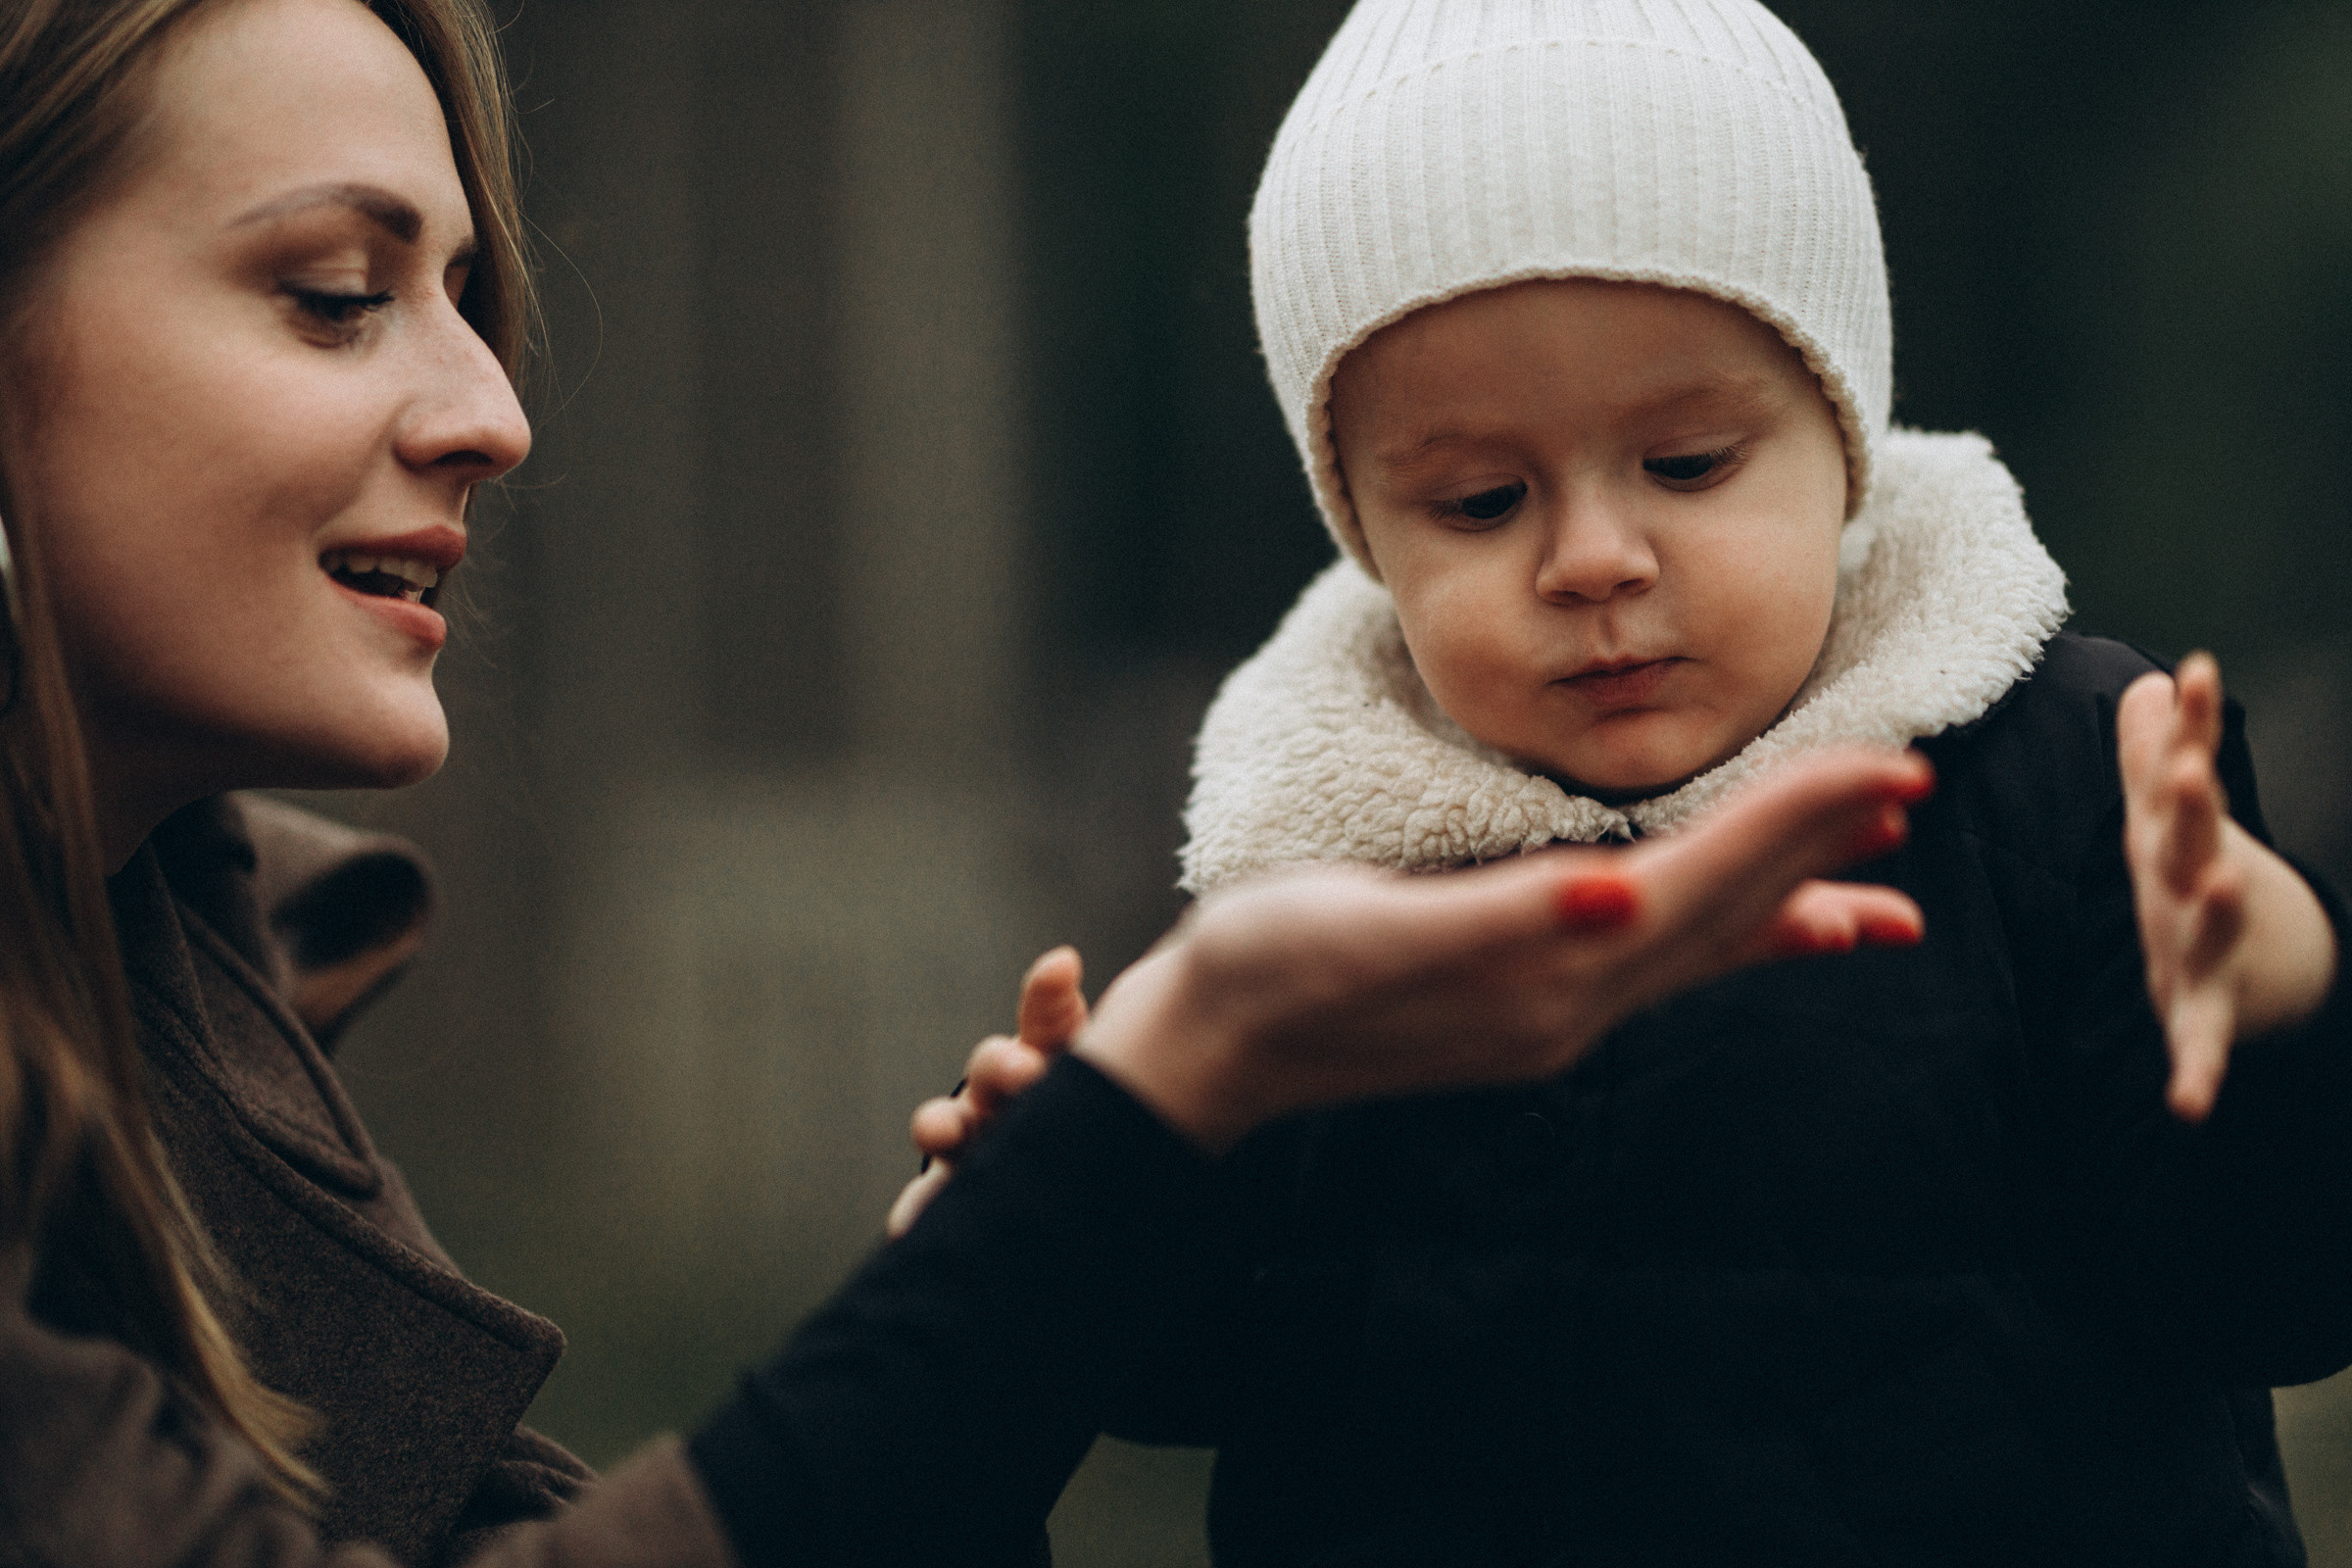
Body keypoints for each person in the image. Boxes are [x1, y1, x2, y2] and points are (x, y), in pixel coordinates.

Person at [0, 0, 1943, 1562]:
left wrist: (1018, 1255)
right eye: (338, 293)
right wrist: (1162, 1094)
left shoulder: (191, 980)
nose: (492, 410)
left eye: (460, 296)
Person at [952, 1, 2346, 1563]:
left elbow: (2276, 1290)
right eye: (1481, 500)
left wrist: (2282, 1005)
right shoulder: (1310, 899)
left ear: (1843, 441)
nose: (1594, 559)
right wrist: (1071, 1197)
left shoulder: (2068, 786)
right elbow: (1208, 1372)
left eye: (1687, 466)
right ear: (1365, 531)